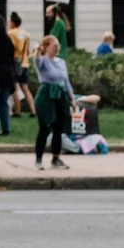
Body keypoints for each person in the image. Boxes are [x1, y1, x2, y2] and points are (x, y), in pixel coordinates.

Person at [34, 35, 92, 169]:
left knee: (58, 128)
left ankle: (56, 158)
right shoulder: (43, 61)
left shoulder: (61, 62)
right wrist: (37, 50)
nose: (57, 49)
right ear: (46, 47)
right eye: (54, 46)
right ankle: (38, 159)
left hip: (60, 95)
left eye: (58, 46)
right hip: (46, 95)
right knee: (44, 128)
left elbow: (66, 81)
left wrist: (72, 98)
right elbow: (36, 61)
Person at [8, 12, 36, 116]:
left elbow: (10, 48)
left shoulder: (10, 33)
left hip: (15, 62)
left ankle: (18, 111)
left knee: (15, 86)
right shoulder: (26, 34)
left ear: (12, 22)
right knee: (25, 88)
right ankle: (33, 111)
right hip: (25, 62)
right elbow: (28, 51)